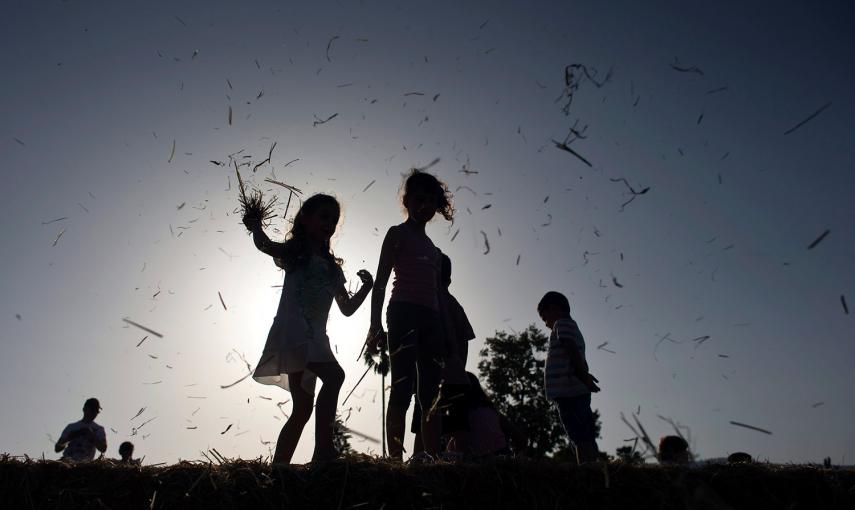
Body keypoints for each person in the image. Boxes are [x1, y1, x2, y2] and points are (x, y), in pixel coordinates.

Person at [245, 193, 373, 464]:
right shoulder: (296, 253)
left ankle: (279, 468)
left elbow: (346, 308)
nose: (330, 223)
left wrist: (366, 288)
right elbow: (265, 245)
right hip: (294, 333)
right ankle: (324, 451)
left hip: (316, 339)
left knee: (302, 410)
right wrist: (255, 224)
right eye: (324, 216)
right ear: (305, 218)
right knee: (335, 377)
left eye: (334, 220)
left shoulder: (332, 268)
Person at [366, 169, 454, 461]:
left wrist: (448, 334)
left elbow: (440, 296)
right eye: (419, 199)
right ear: (407, 200)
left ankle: (431, 457)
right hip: (403, 311)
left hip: (431, 319)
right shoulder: (397, 234)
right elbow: (380, 281)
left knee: (431, 392)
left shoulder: (436, 251)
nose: (425, 205)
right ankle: (394, 460)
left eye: (431, 201)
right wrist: (375, 324)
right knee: (402, 386)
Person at [411, 253, 475, 457]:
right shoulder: (450, 304)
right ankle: (428, 458)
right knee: (450, 423)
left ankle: (422, 458)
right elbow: (465, 339)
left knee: (431, 420)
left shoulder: (438, 303)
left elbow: (463, 339)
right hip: (446, 373)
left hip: (440, 374)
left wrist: (457, 366)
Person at [537, 291, 601, 464]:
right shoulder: (570, 326)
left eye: (545, 318)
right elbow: (574, 357)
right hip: (572, 390)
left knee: (580, 435)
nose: (546, 324)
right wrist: (584, 375)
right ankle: (591, 465)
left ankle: (587, 469)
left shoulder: (562, 324)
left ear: (554, 309)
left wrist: (583, 376)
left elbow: (572, 350)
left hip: (569, 392)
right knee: (581, 434)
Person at [446, 372, 527, 457]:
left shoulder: (460, 416)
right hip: (502, 458)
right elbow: (521, 440)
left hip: (479, 464)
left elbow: (460, 452)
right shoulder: (492, 411)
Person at [55, 398, 107, 462]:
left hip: (85, 466)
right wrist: (70, 437)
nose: (94, 413)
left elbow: (103, 448)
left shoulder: (99, 429)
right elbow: (57, 448)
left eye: (96, 411)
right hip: (67, 463)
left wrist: (92, 436)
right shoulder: (71, 427)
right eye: (92, 410)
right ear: (84, 409)